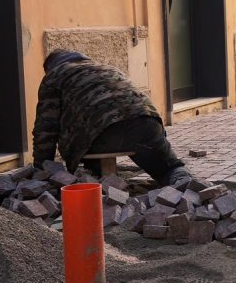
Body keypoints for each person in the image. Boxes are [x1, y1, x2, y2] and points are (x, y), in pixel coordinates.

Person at [32, 49, 189, 185]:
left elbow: (46, 128)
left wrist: (41, 171)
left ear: (49, 68)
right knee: (170, 170)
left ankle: (99, 184)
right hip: (146, 124)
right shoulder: (107, 67)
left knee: (87, 148)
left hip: (102, 134)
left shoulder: (54, 77)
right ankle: (196, 195)